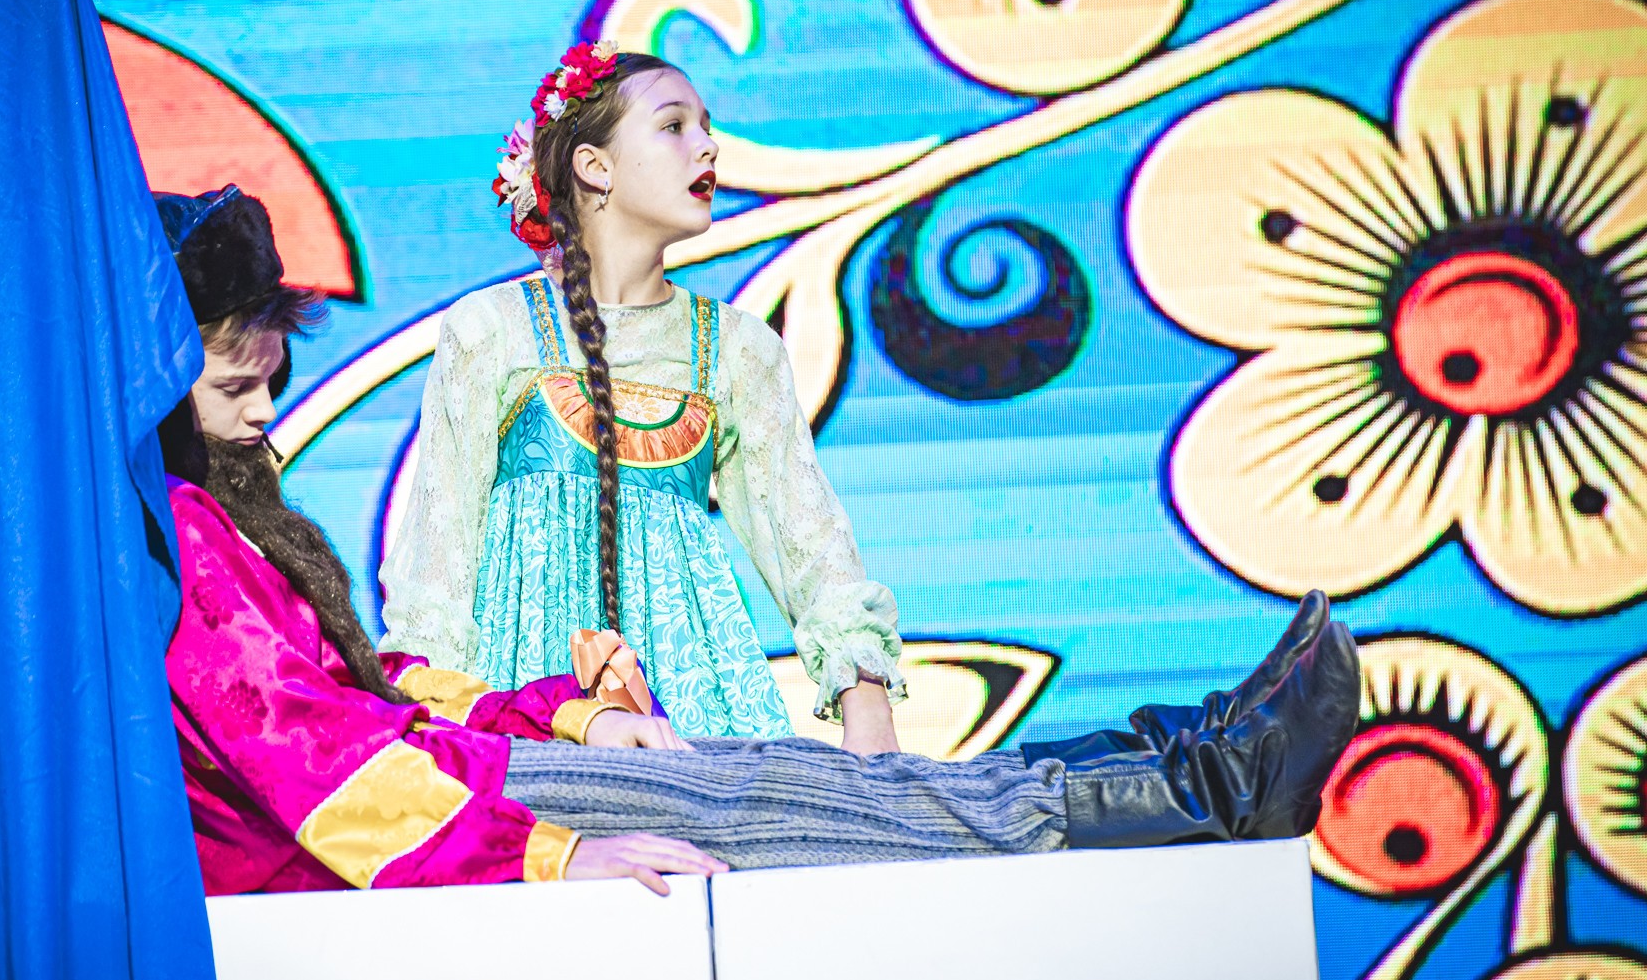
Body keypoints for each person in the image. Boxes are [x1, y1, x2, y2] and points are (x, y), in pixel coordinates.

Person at [150, 184, 1362, 895]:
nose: (263, 416)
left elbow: (370, 700)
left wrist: (565, 717)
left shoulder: (728, 343)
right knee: (791, 799)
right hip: (433, 812)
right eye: (232, 388)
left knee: (802, 787)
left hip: (472, 763)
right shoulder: (191, 537)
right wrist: (544, 854)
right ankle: (1191, 783)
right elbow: (319, 761)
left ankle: (1181, 758)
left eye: (270, 383)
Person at [378, 42, 909, 748]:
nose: (708, 146)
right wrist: (433, 728)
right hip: (527, 714)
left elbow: (810, 544)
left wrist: (868, 708)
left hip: (696, 714)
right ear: (594, 166)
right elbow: (436, 564)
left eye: (706, 127)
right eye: (674, 125)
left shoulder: (737, 350)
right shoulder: (493, 330)